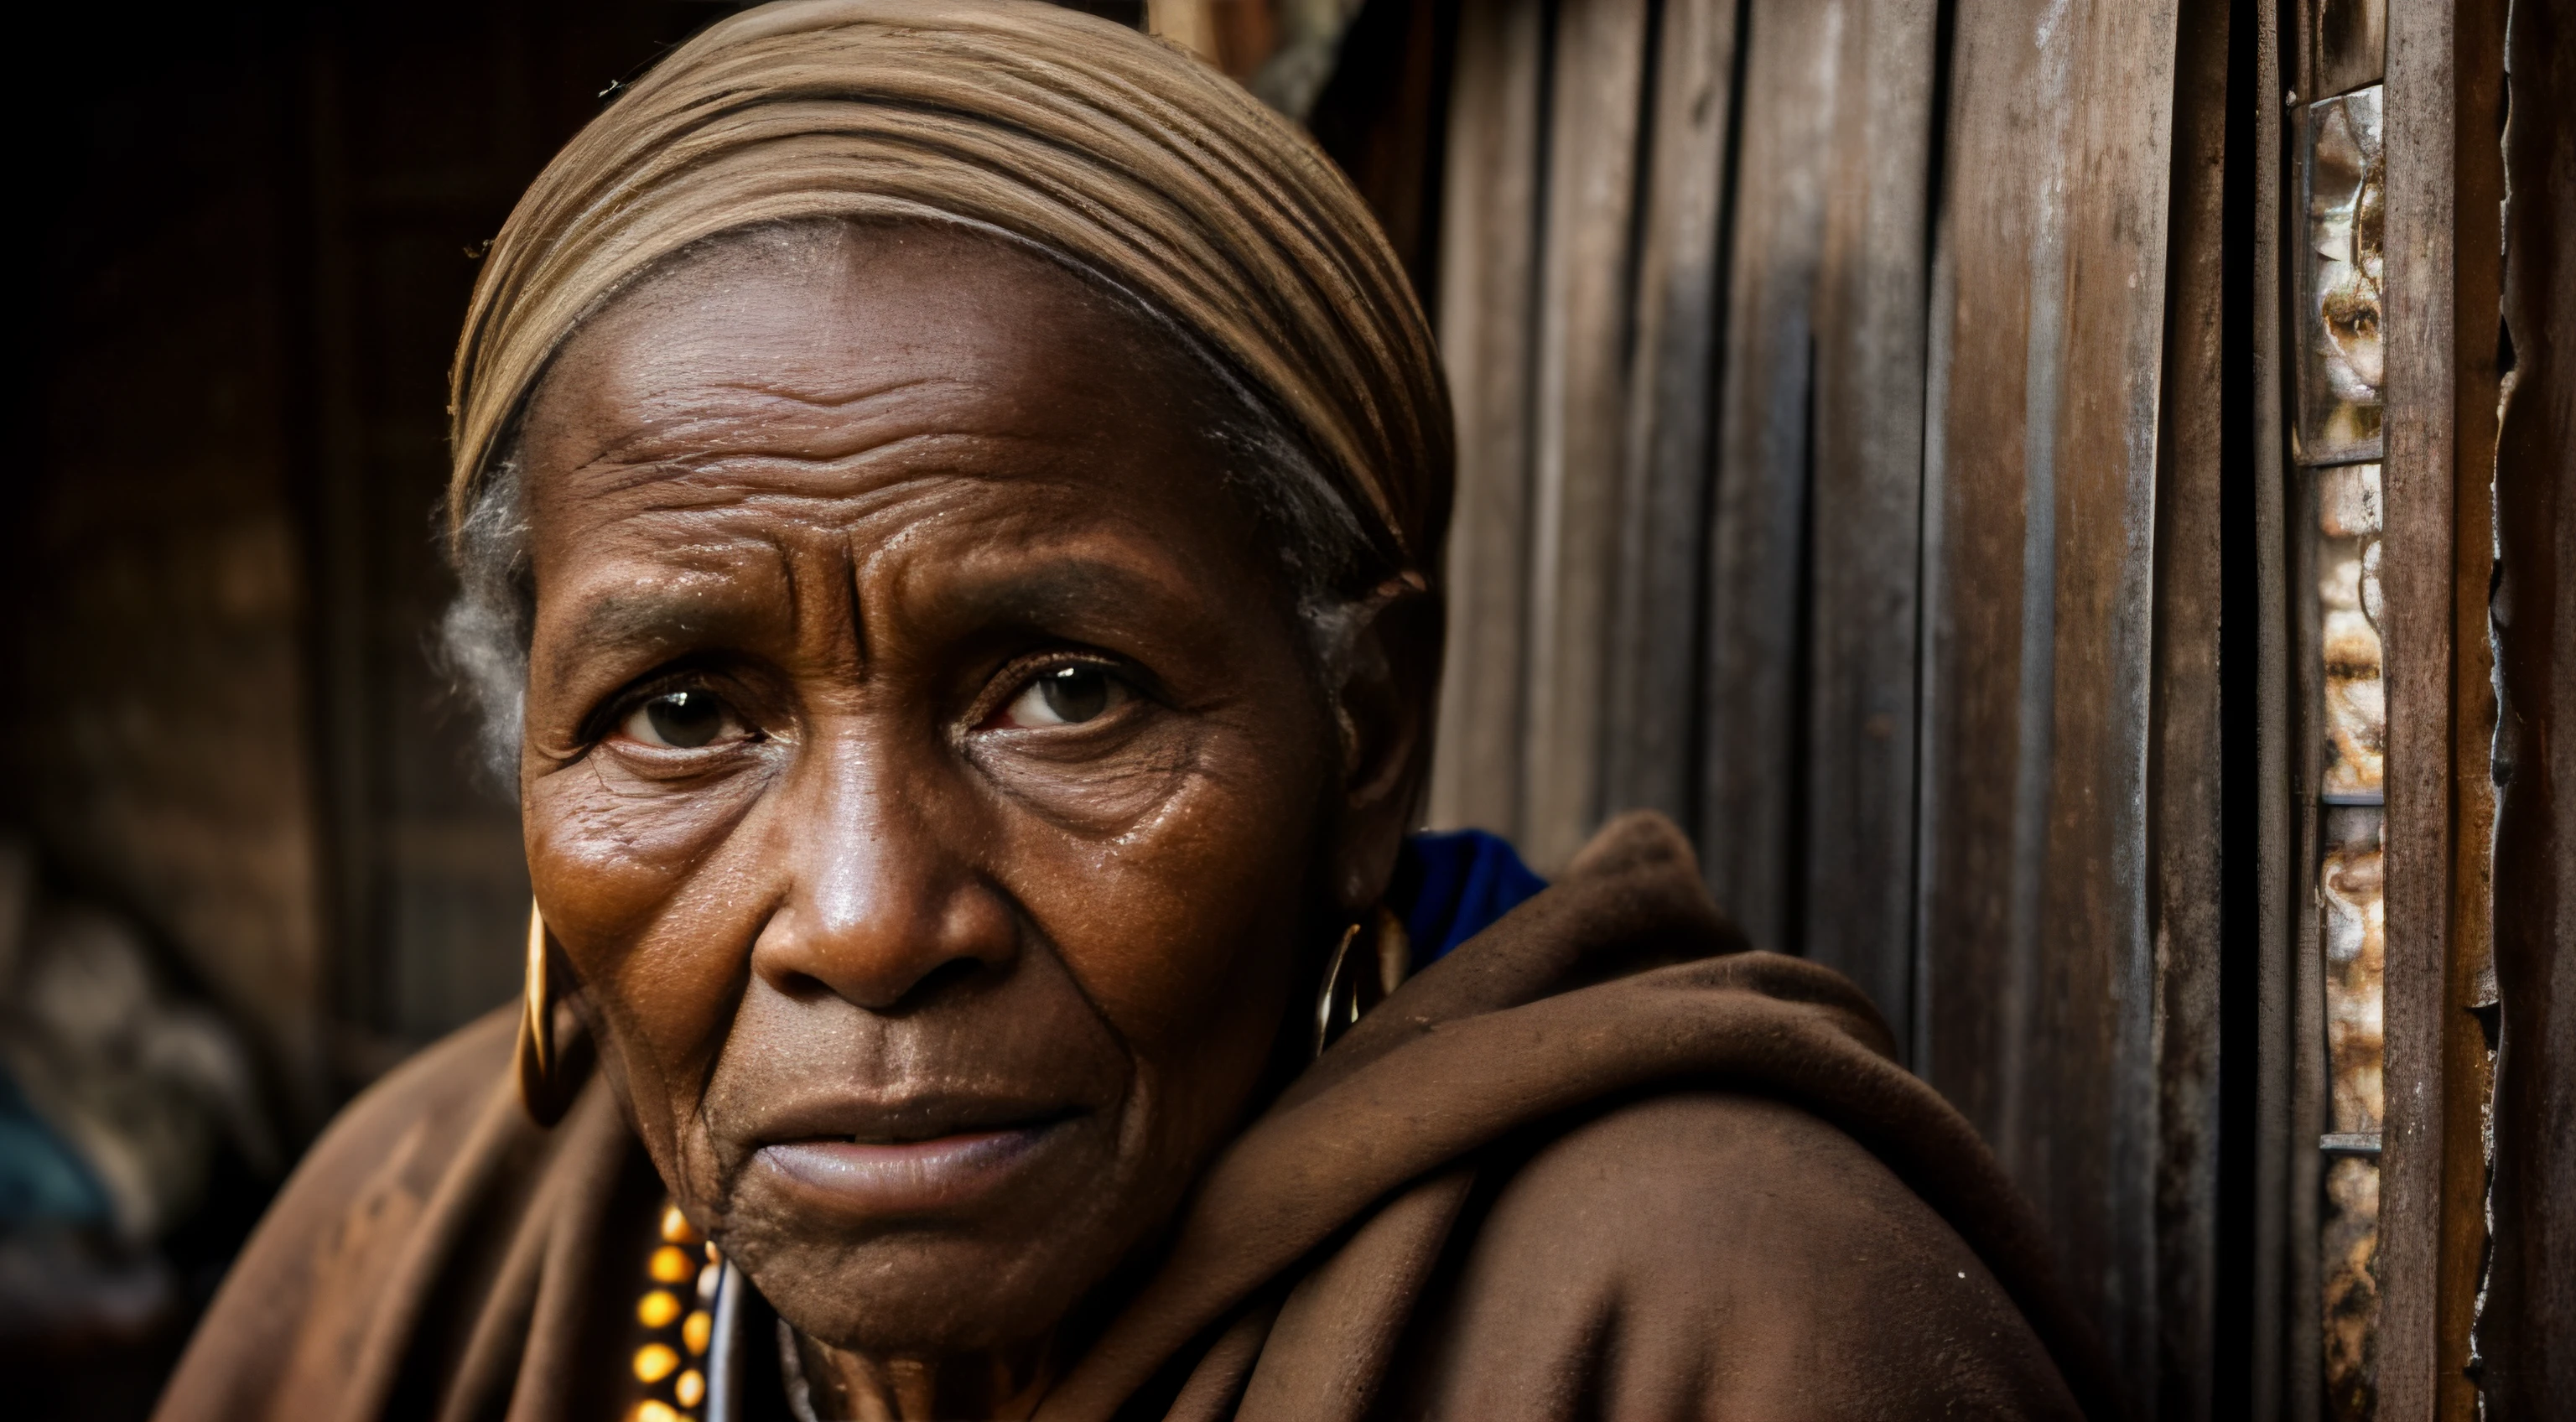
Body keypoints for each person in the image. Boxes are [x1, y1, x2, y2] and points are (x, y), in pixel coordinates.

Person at [155, 3, 2105, 1418]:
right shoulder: (417, 1238)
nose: (862, 915)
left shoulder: (1716, 1323)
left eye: (1064, 692)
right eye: (682, 714)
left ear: (1362, 727)